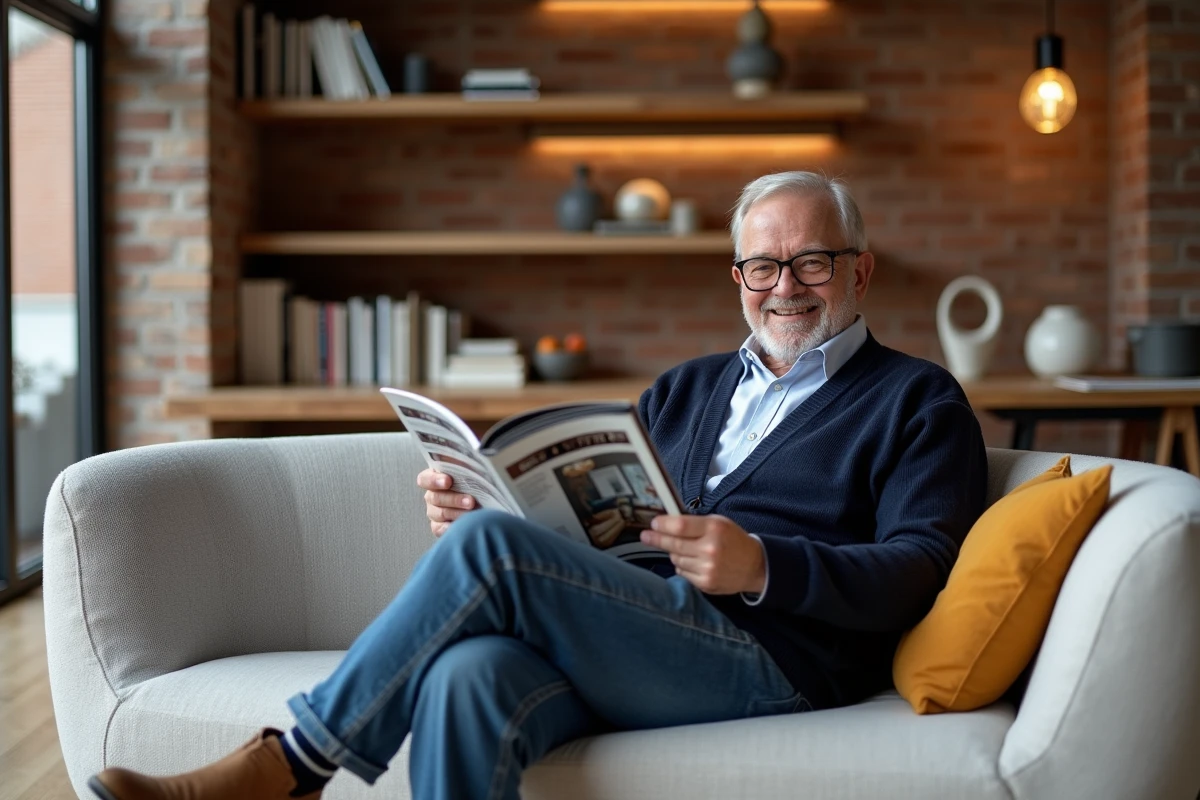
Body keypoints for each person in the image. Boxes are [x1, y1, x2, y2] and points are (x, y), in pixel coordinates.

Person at [88, 172, 987, 800]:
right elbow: (605, 528)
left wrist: (764, 565)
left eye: (812, 262)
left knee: (487, 563)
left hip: (780, 658)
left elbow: (922, 565)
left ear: (860, 271)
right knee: (468, 677)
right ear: (738, 278)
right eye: (762, 266)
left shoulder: (917, 399)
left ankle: (294, 765)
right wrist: (489, 510)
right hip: (639, 634)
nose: (783, 287)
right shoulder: (685, 388)